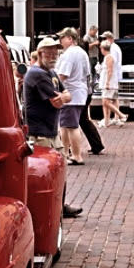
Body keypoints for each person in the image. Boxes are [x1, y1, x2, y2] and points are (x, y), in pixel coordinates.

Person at [23, 37, 82, 218]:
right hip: (39, 133)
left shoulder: (51, 73)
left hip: (50, 131)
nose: (53, 55)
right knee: (45, 174)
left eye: (55, 52)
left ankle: (60, 206)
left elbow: (67, 96)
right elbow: (56, 102)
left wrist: (63, 97)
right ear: (40, 53)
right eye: (48, 52)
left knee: (59, 169)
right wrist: (64, 97)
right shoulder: (37, 75)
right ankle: (48, 208)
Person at [54, 26, 93, 164]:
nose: (60, 41)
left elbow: (63, 75)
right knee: (66, 125)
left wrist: (52, 86)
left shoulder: (70, 53)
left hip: (71, 94)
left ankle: (76, 155)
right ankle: (66, 153)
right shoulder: (82, 52)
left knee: (71, 126)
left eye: (62, 38)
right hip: (79, 93)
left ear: (70, 38)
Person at [98, 39, 127, 127]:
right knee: (105, 101)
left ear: (103, 49)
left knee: (106, 102)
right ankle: (107, 121)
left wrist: (107, 83)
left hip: (109, 83)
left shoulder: (109, 57)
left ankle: (121, 115)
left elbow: (110, 71)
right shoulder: (107, 57)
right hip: (108, 82)